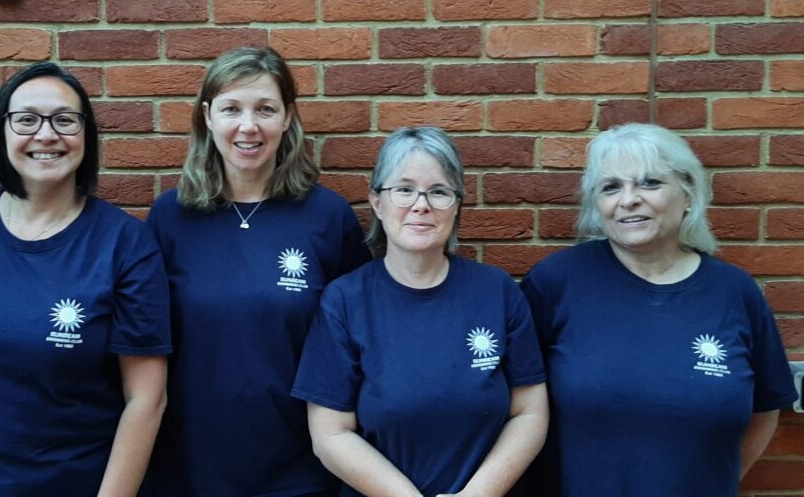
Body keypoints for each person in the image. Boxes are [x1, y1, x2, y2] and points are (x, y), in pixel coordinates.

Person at [0, 62, 171, 496]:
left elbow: (146, 400)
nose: (46, 135)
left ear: (86, 135)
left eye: (65, 120)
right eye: (26, 119)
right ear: (1, 131)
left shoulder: (124, 243)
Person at [519, 123, 798, 496]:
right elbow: (514, 404)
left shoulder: (734, 292)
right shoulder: (557, 282)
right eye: (611, 187)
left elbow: (764, 409)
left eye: (650, 183)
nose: (629, 199)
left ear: (687, 194)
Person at [142, 46, 371, 496]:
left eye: (265, 109)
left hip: (302, 470)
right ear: (207, 117)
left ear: (287, 118)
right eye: (232, 109)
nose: (248, 126)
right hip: (190, 468)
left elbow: (361, 344)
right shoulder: (170, 217)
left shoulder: (327, 216)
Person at [292, 126, 549, 497]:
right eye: (404, 189)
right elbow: (330, 435)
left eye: (439, 191)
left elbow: (529, 413)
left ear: (457, 204)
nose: (421, 204)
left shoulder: (497, 292)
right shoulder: (345, 301)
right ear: (377, 203)